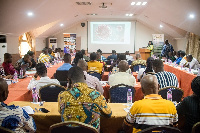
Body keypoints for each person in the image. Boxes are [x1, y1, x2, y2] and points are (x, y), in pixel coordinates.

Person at [58, 67, 112, 131]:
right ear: (85, 77)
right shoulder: (96, 95)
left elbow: (60, 111)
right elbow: (108, 114)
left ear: (68, 80)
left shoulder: (62, 96)